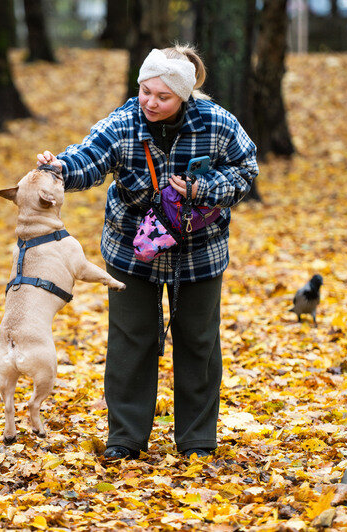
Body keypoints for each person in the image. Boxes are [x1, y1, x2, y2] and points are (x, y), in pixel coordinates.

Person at [37, 45, 258, 460]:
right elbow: (90, 157)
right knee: (129, 340)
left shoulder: (217, 123)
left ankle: (196, 441)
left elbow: (246, 171)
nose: (151, 103)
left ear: (184, 96)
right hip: (130, 251)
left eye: (163, 96)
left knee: (198, 342)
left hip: (199, 252)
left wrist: (204, 189)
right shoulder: (122, 124)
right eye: (145, 92)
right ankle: (125, 438)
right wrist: (60, 168)